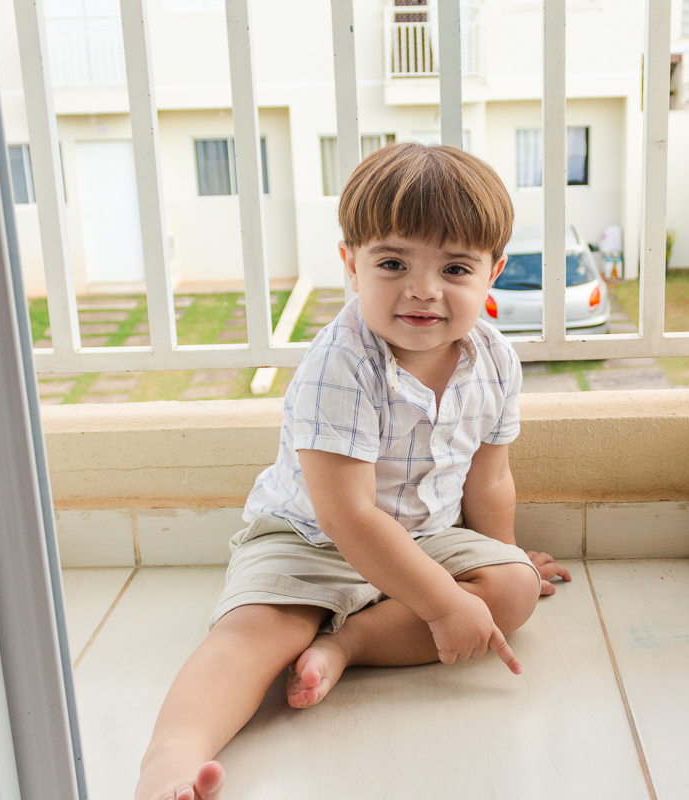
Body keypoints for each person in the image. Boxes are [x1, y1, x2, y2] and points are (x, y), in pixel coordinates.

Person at [135, 142, 572, 800]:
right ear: (351, 265)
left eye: (455, 268)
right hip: (311, 539)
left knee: (509, 590)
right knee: (254, 636)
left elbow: (489, 478)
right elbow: (348, 515)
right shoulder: (342, 362)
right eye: (393, 263)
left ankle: (348, 644)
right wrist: (445, 601)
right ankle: (169, 767)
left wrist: (499, 551)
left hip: (422, 536)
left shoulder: (494, 360)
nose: (423, 289)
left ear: (493, 275)